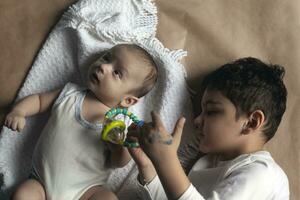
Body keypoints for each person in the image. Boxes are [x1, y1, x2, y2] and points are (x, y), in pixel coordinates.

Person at [4, 44, 158, 200]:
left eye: (117, 72)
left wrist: (117, 148)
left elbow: (119, 162)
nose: (104, 66)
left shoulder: (120, 124)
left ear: (128, 100)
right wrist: (19, 112)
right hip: (41, 182)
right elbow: (39, 100)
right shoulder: (70, 94)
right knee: (22, 195)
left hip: (85, 191)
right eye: (106, 57)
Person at [127, 57, 289, 200]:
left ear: (252, 122)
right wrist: (147, 165)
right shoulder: (208, 162)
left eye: (211, 111)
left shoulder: (263, 174)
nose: (197, 120)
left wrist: (166, 159)